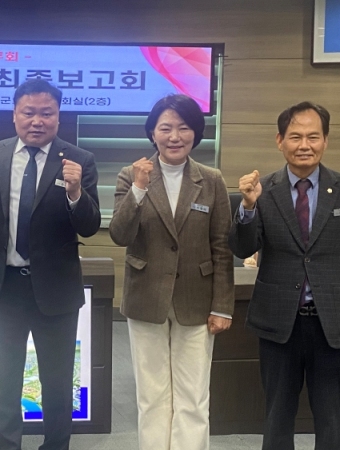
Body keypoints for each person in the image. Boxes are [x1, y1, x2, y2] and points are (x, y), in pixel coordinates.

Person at [229, 101, 340, 450]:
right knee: (277, 416)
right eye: (295, 137)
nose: (304, 145)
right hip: (279, 322)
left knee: (331, 418)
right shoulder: (262, 190)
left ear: (325, 141)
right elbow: (242, 247)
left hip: (333, 324)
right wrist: (248, 206)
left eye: (313, 136)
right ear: (280, 141)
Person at [0, 78, 100, 450]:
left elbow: (90, 226)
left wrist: (75, 192)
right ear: (14, 115)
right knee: (4, 380)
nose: (37, 121)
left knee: (57, 382)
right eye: (29, 112)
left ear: (58, 117)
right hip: (5, 287)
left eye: (47, 113)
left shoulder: (79, 160)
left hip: (56, 290)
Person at [110, 94, 234, 450]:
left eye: (184, 128)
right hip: (146, 295)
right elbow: (120, 235)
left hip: (198, 299)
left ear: (196, 133)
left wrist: (222, 306)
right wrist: (139, 188)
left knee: (193, 397)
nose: (175, 136)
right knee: (152, 397)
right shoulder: (131, 175)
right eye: (165, 128)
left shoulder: (211, 180)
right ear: (152, 133)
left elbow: (222, 247)